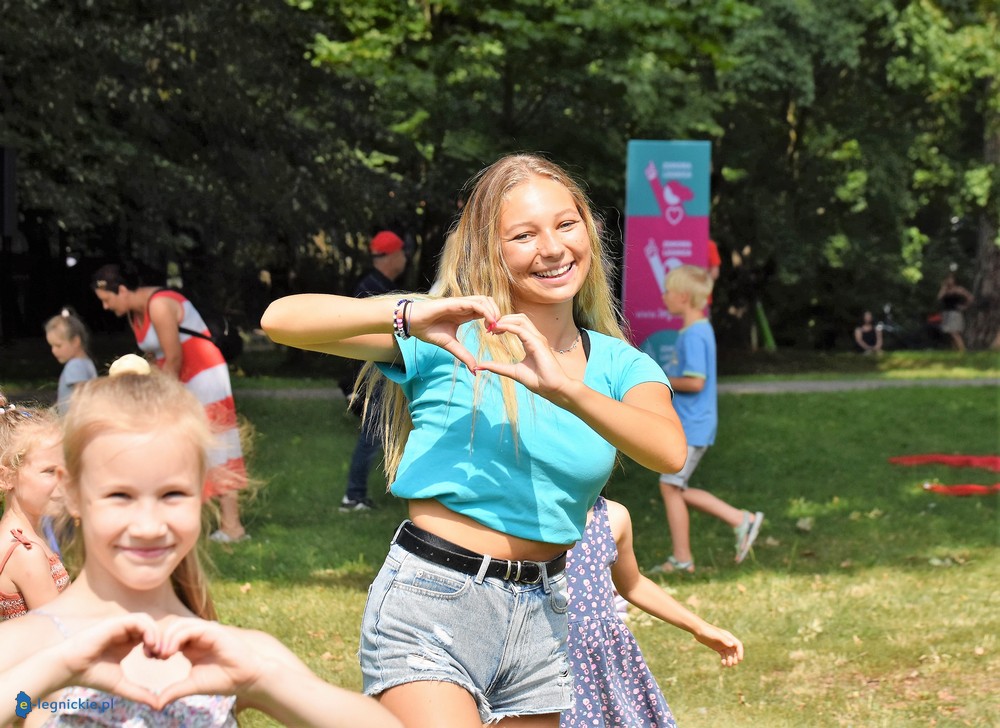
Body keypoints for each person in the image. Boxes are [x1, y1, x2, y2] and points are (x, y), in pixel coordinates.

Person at [261, 152, 687, 728]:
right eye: (524, 235)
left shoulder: (618, 364)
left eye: (566, 224)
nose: (554, 248)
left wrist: (567, 390)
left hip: (543, 614)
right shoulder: (450, 334)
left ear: (589, 228)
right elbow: (282, 319)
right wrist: (409, 314)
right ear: (491, 249)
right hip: (435, 599)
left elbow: (667, 449)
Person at [0, 356, 402, 728]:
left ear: (202, 494)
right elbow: (22, 704)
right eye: (119, 496)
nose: (148, 525)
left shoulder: (237, 655)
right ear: (71, 494)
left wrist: (265, 680)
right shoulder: (28, 644)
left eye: (172, 494)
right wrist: (54, 672)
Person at [90, 263, 248, 543]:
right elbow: (155, 358)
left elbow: (174, 358)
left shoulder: (160, 304)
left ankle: (233, 526)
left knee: (216, 444)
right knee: (187, 445)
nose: (104, 307)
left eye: (107, 299)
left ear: (123, 290)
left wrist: (162, 401)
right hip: (180, 380)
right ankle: (191, 520)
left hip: (203, 376)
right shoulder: (134, 314)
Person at [561, 496, 743, 728]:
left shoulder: (613, 516)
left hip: (602, 660)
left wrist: (700, 627)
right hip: (545, 657)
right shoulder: (519, 518)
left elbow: (633, 584)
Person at [651, 265, 763, 574]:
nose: (664, 296)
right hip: (691, 424)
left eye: (668, 290)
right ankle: (740, 521)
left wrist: (661, 379)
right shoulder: (695, 330)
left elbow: (695, 382)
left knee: (670, 487)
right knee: (675, 487)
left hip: (693, 426)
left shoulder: (695, 334)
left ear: (683, 297)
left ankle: (684, 557)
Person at [338, 230, 408, 512]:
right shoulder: (373, 289)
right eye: (402, 252)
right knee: (373, 434)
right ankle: (353, 495)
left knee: (380, 432)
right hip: (377, 374)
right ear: (393, 256)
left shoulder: (376, 284)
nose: (405, 258)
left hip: (380, 371)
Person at [0, 398, 69, 621]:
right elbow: (62, 634)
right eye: (49, 471)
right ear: (6, 477)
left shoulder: (30, 537)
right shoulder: (25, 552)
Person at [44, 307, 98, 414]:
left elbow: (82, 401)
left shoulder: (75, 365)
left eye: (58, 346)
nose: (54, 351)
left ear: (75, 341)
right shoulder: (86, 363)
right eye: (52, 346)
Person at [937, 272, 974, 352]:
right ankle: (955, 350)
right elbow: (939, 297)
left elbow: (970, 297)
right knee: (949, 333)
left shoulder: (958, 289)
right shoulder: (944, 290)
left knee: (954, 332)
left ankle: (962, 350)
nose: (949, 281)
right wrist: (944, 287)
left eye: (951, 279)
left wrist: (965, 306)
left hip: (955, 313)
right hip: (946, 313)